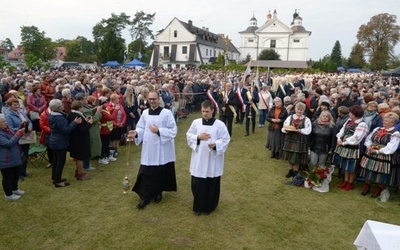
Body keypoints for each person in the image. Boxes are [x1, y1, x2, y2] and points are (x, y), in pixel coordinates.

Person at [128, 90, 177, 209]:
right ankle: (144, 197)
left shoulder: (166, 113)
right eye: (150, 99)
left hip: (161, 147)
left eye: (154, 99)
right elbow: (141, 127)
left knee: (160, 170)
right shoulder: (145, 113)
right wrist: (136, 133)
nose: (152, 101)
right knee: (147, 171)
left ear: (159, 99)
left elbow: (173, 130)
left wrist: (159, 131)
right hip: (149, 147)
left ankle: (158, 192)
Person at [186, 100, 230, 216]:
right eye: (203, 111)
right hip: (199, 158)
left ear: (213, 111)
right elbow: (189, 136)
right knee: (198, 183)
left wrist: (216, 145)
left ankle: (209, 207)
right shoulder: (196, 123)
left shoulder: (220, 125)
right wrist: (198, 137)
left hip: (212, 159)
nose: (205, 114)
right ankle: (198, 207)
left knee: (211, 183)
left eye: (207, 111)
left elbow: (226, 139)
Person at [359, 112, 400, 197]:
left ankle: (378, 189)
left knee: (380, 173)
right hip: (371, 153)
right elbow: (368, 139)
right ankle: (367, 187)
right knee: (368, 170)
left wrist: (377, 150)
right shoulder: (377, 129)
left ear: (393, 123)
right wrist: (369, 147)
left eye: (386, 121)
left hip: (383, 155)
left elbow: (391, 147)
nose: (384, 122)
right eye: (384, 120)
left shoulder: (395, 133)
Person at [333, 105, 369, 191]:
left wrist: (344, 142)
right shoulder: (349, 121)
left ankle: (350, 183)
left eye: (350, 113)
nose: (349, 114)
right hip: (344, 145)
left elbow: (357, 138)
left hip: (353, 147)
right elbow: (342, 130)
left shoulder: (362, 124)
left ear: (355, 114)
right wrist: (339, 138)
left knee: (352, 166)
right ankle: (345, 181)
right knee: (345, 165)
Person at [48, 99, 82, 187]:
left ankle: (55, 177)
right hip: (60, 141)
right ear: (59, 107)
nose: (63, 106)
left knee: (56, 160)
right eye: (62, 105)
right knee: (60, 162)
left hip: (54, 140)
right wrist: (74, 122)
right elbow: (66, 130)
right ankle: (58, 181)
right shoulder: (59, 118)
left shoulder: (52, 114)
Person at [4, 97, 33, 181]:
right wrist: (21, 129)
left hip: (26, 136)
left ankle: (24, 171)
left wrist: (30, 127)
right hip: (18, 138)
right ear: (9, 106)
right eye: (15, 105)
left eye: (18, 104)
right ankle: (18, 174)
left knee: (25, 154)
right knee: (19, 156)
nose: (17, 106)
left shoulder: (20, 112)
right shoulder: (8, 115)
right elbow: (10, 129)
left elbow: (29, 121)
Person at [281, 102, 312, 178]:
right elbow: (284, 127)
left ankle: (296, 171)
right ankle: (290, 170)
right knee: (290, 154)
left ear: (303, 110)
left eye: (301, 110)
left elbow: (308, 130)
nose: (299, 111)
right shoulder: (290, 117)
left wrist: (300, 131)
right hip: (290, 138)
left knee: (298, 156)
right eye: (298, 109)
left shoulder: (306, 119)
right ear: (295, 109)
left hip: (300, 139)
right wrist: (286, 130)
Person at [0, 114, 26, 201]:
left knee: (16, 174)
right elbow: (8, 143)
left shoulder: (7, 129)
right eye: (3, 121)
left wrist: (21, 126)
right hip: (5, 160)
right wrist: (19, 134)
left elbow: (14, 131)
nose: (6, 123)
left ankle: (15, 189)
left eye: (5, 121)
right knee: (7, 177)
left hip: (14, 157)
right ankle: (8, 195)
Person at [68, 101, 93, 180]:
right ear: (79, 108)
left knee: (78, 157)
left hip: (75, 139)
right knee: (80, 157)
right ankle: (80, 174)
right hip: (79, 140)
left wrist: (85, 121)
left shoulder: (71, 114)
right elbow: (82, 130)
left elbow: (79, 126)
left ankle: (79, 171)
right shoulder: (77, 116)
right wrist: (89, 123)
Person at [82, 96, 102, 170]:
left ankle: (87, 163)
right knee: (90, 146)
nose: (86, 99)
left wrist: (94, 110)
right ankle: (86, 165)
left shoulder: (85, 107)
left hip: (91, 129)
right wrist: (98, 112)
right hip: (90, 129)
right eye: (84, 99)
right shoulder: (84, 110)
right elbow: (93, 120)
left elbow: (90, 112)